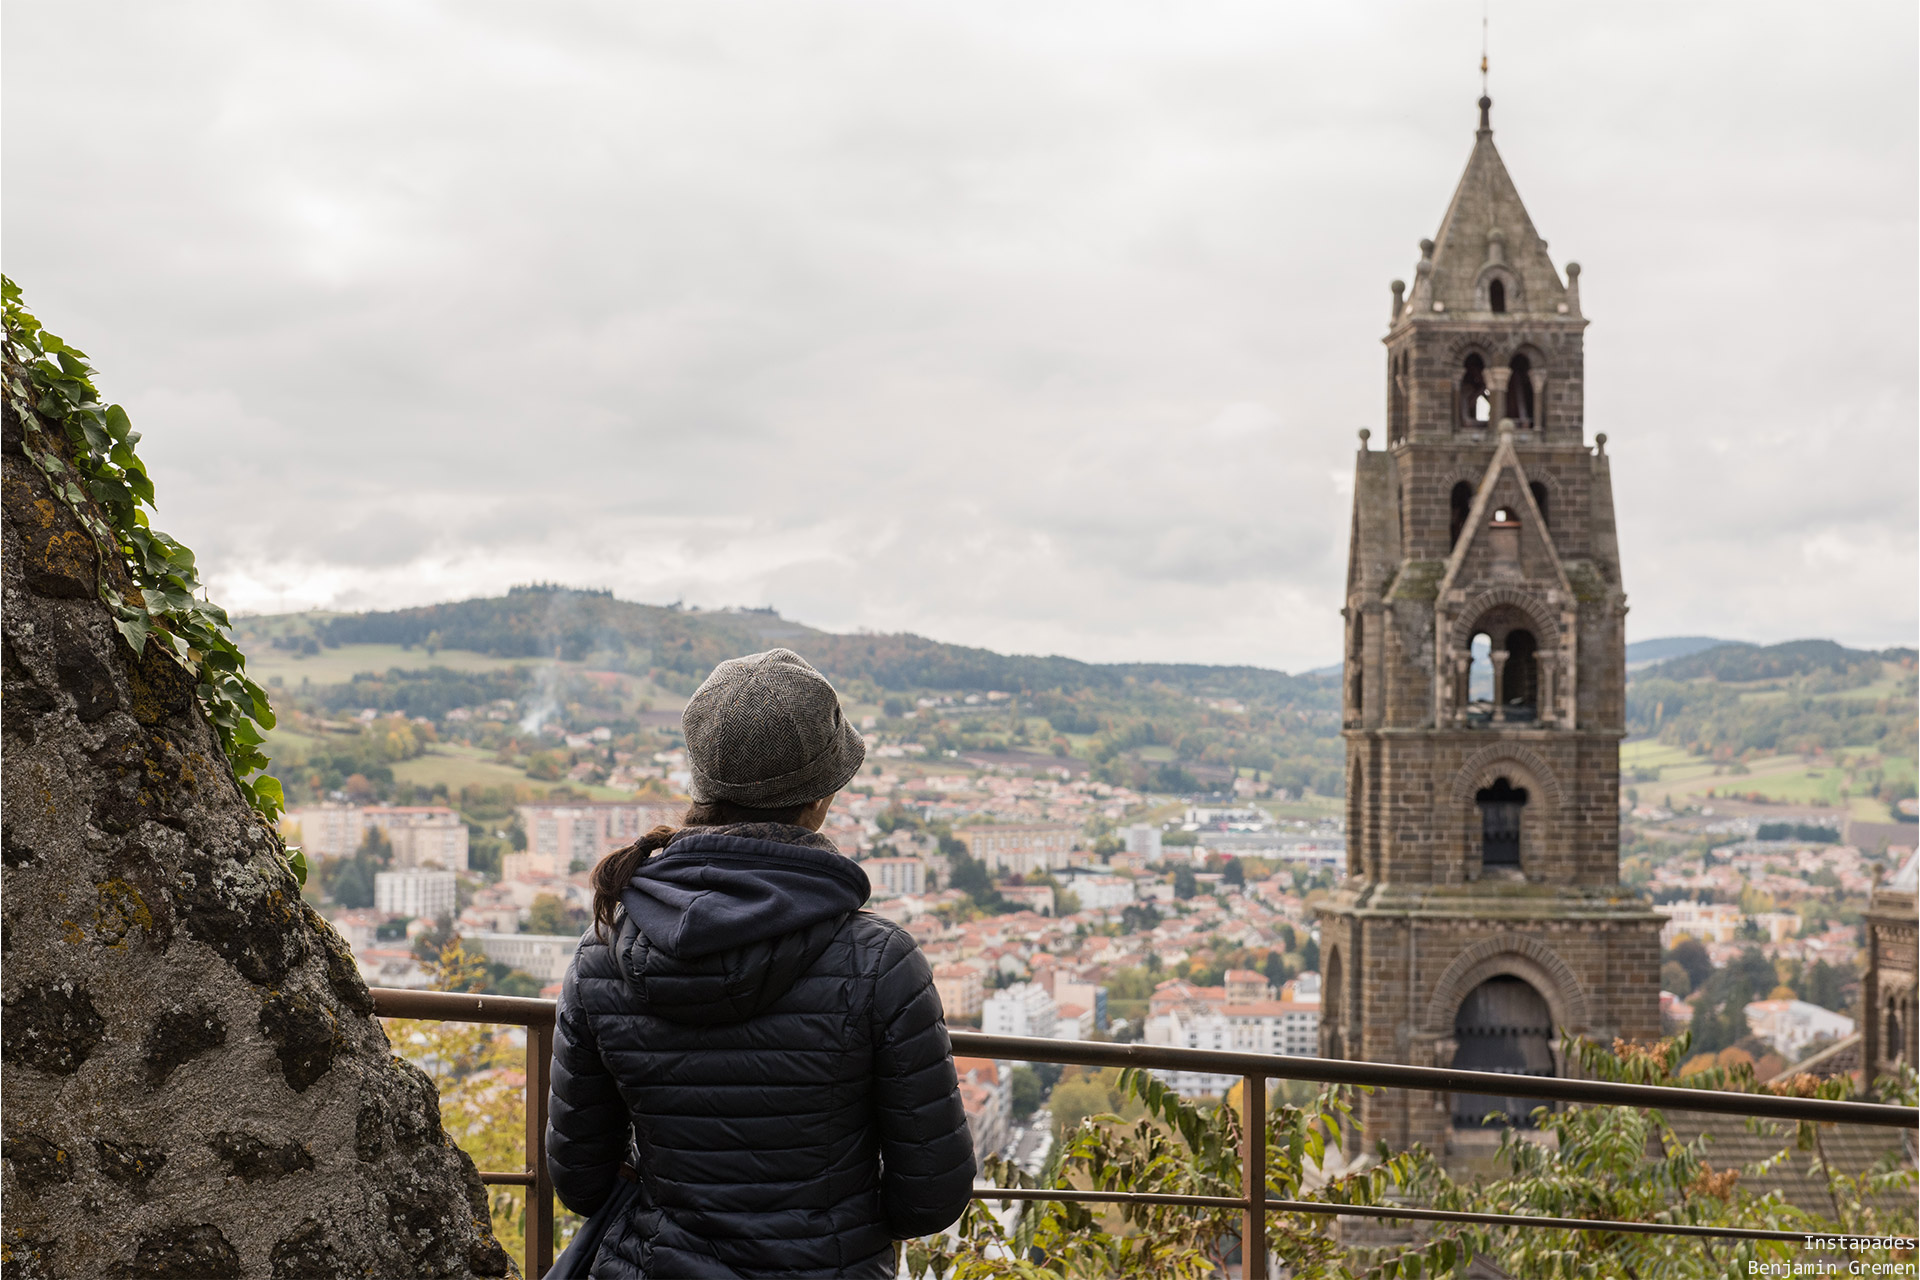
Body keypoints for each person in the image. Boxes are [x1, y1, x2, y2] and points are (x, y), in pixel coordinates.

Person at [547, 648, 975, 1277]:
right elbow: (933, 1194)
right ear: (821, 798)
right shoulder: (882, 963)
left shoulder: (603, 953)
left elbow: (581, 1182)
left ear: (702, 784)